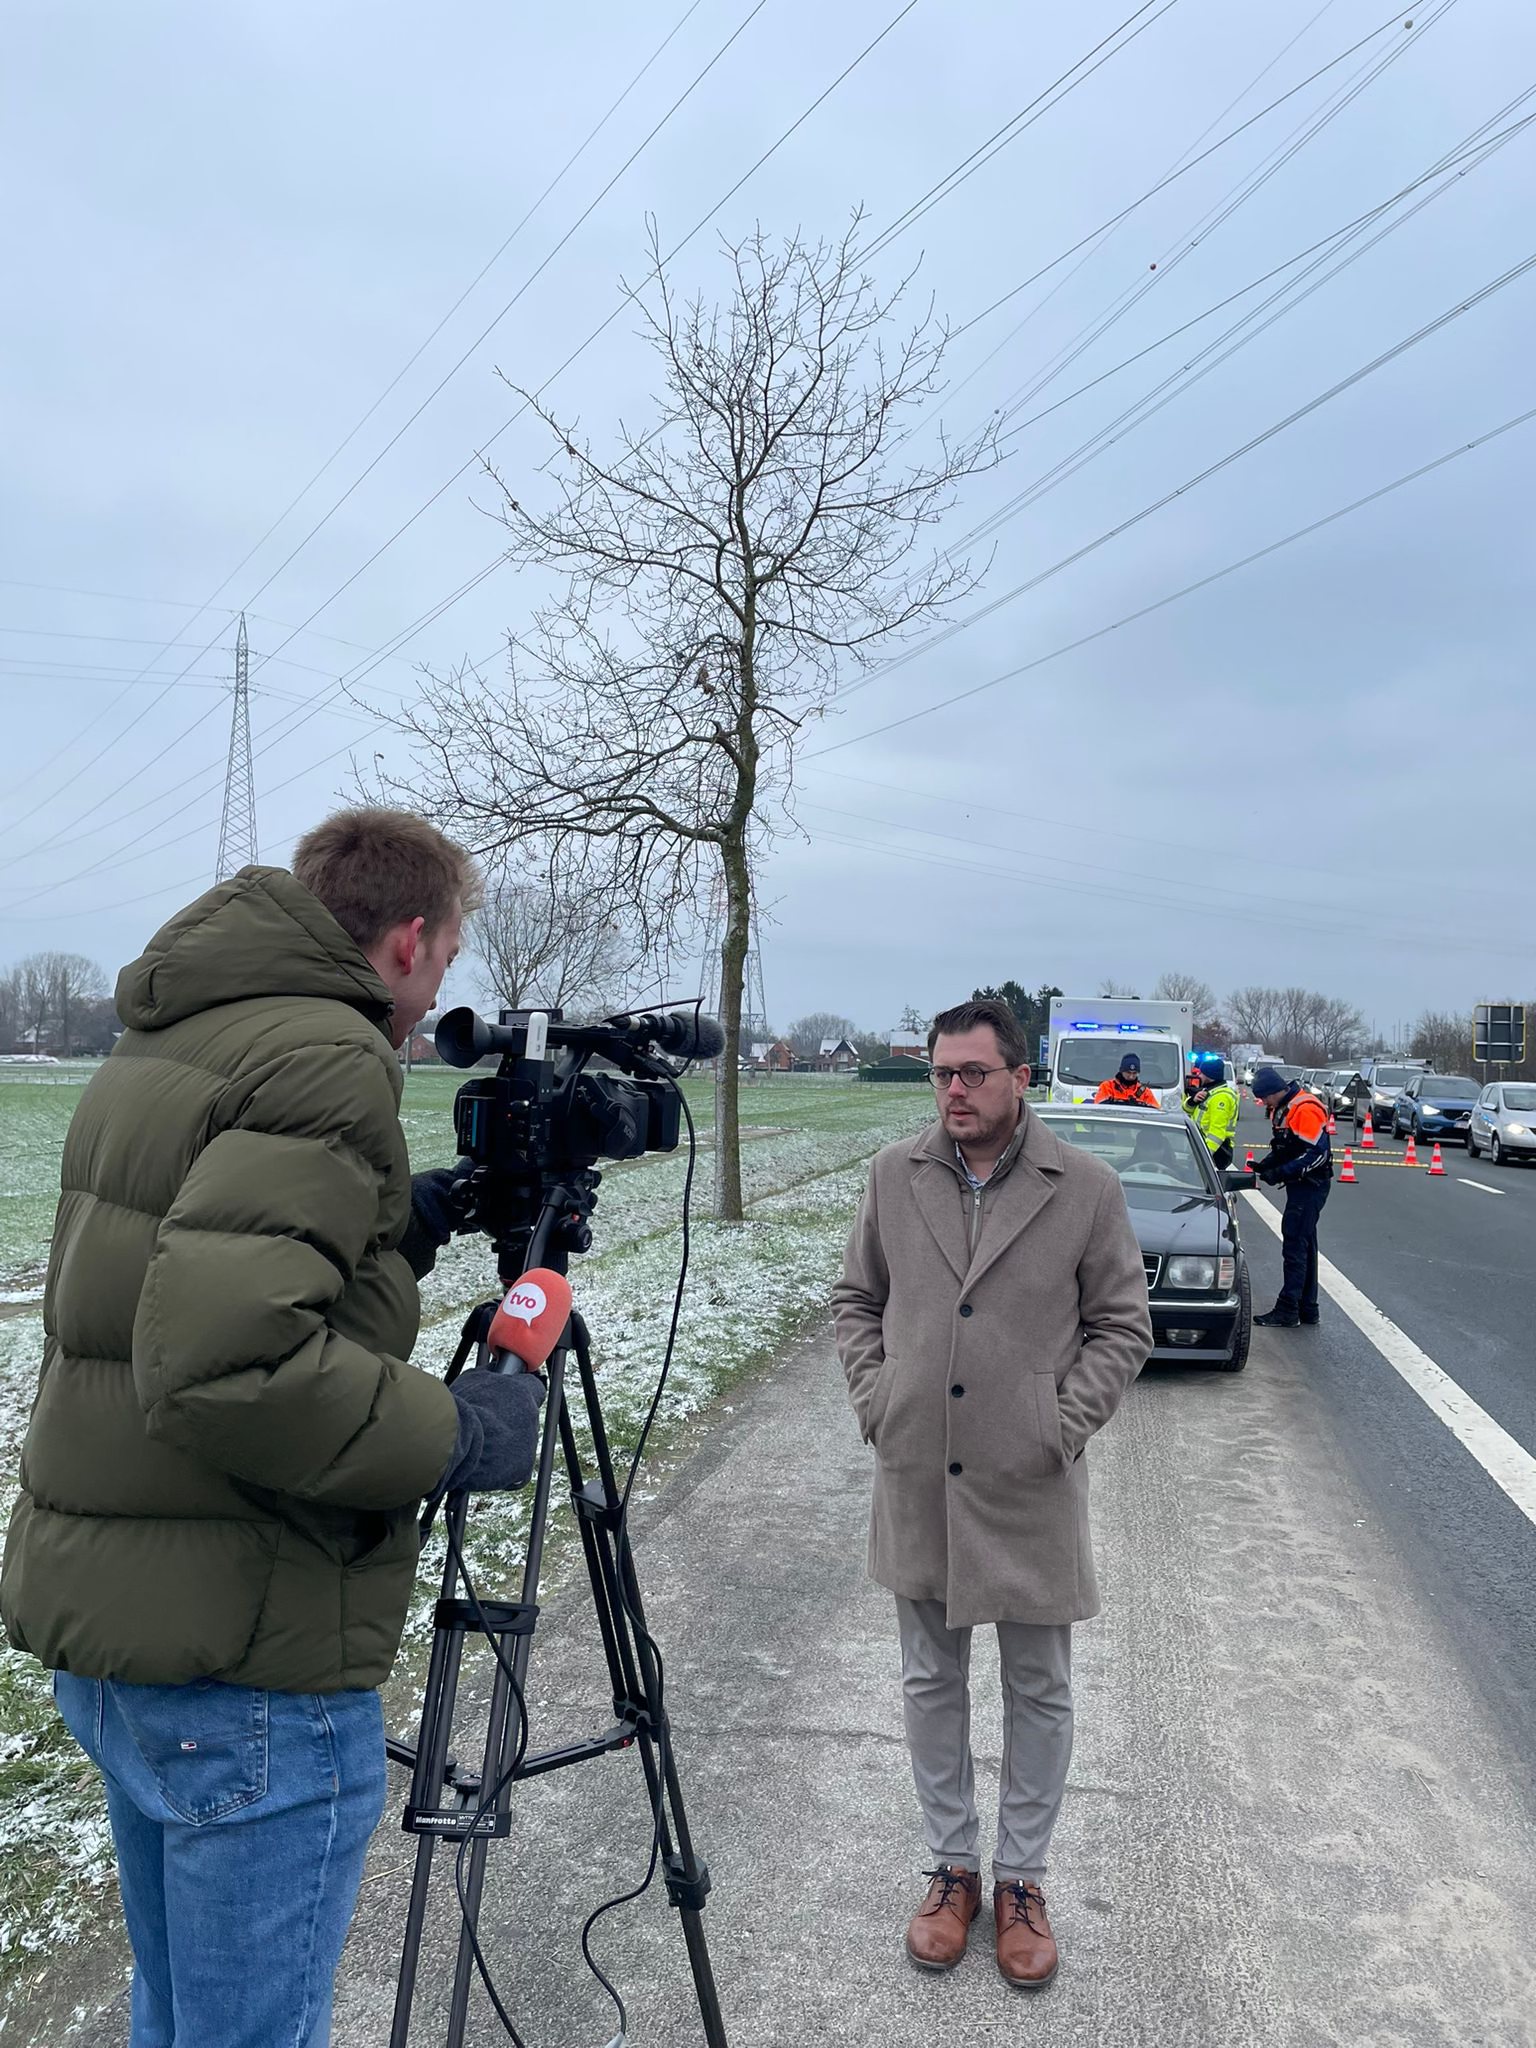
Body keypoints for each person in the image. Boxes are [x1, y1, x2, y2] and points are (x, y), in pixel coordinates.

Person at [1, 810, 548, 2048]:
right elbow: (224, 1358)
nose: (438, 982)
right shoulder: (326, 1053)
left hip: (123, 1623)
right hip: (242, 1650)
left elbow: (171, 1269)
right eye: (450, 953)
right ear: (410, 939)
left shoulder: (178, 1030)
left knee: (178, 2012)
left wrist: (397, 1225)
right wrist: (462, 1429)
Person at [833, 998, 1152, 1991]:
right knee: (930, 1681)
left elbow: (1122, 1325)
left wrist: (1059, 1422)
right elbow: (856, 1300)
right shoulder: (894, 1175)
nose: (955, 1090)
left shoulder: (1085, 1185)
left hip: (1029, 1482)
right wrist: (880, 1397)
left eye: (974, 1072)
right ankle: (952, 1867)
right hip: (918, 1470)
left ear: (1020, 1075)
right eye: (942, 1073)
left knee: (1039, 1687)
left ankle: (1021, 1880)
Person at [1249, 1062, 1333, 1328]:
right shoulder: (1285, 1107)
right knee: (1305, 1243)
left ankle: (1288, 1310)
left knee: (1295, 1243)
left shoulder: (1304, 1108)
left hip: (1310, 1184)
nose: (1262, 1103)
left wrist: (1281, 1173)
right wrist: (1267, 1165)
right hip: (1302, 1182)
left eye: (1263, 1097)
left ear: (1274, 1091)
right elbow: (1287, 1146)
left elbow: (1315, 1155)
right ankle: (1307, 1308)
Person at [1183, 1057, 1241, 1168]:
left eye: (1201, 1073)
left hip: (1216, 1153)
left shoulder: (1221, 1097)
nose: (1199, 1076)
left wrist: (1203, 1156)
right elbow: (1186, 1110)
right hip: (1203, 1146)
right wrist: (1192, 1101)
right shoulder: (1208, 1091)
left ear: (1209, 1076)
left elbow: (1217, 1133)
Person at [1092, 1050, 1160, 1107]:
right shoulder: (1107, 1086)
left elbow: (1154, 1112)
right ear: (1121, 1071)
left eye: (1134, 1073)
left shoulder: (1145, 1092)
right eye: (1128, 1073)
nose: (1131, 1076)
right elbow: (1099, 1109)